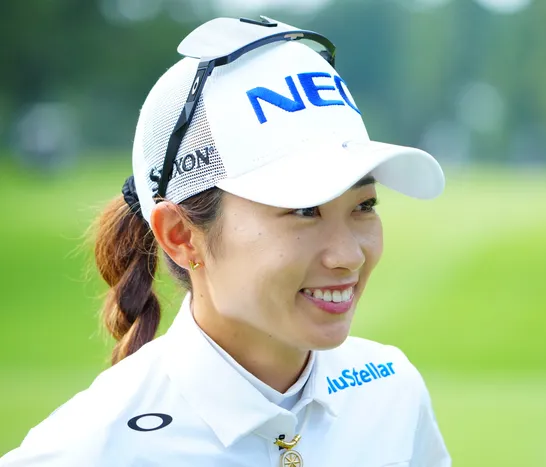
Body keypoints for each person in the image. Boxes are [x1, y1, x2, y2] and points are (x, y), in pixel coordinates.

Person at [0, 16, 450, 467]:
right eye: (303, 210)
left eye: (364, 205)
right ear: (181, 237)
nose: (349, 256)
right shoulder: (92, 450)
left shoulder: (391, 392)